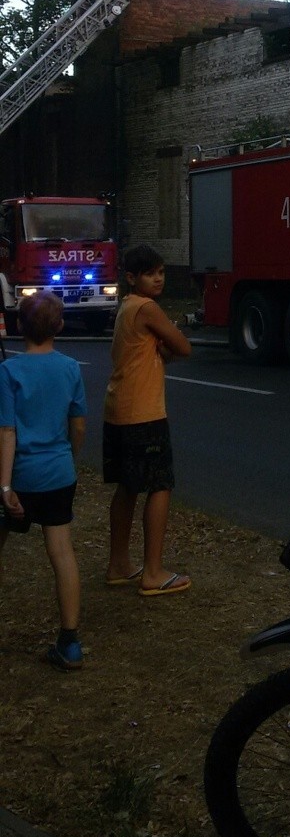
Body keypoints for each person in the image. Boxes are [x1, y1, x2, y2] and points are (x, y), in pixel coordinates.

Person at [0, 291, 87, 671]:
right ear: (60, 326)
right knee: (62, 552)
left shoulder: (9, 372)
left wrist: (5, 488)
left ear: (19, 327)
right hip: (58, 472)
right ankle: (69, 641)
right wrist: (69, 456)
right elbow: (78, 424)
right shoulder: (71, 368)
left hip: (20, 477)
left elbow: (6, 432)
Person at [103, 243, 192, 597]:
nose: (158, 279)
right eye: (150, 273)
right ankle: (153, 571)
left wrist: (160, 349)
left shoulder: (126, 307)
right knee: (160, 485)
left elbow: (156, 351)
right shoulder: (148, 308)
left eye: (161, 273)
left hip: (118, 410)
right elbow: (183, 347)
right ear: (131, 278)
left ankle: (118, 563)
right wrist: (165, 344)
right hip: (144, 413)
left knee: (127, 485)